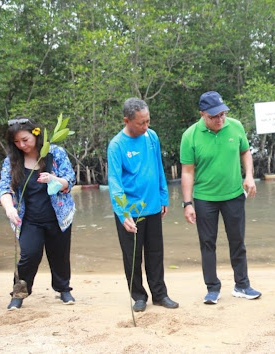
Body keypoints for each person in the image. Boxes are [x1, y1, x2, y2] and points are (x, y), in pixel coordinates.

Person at [180, 91, 260, 304]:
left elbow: (245, 152)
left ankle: (242, 285)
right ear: (203, 114)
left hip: (234, 194)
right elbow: (187, 171)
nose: (220, 119)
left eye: (222, 114)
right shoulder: (190, 135)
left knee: (238, 241)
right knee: (207, 243)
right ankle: (212, 288)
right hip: (205, 197)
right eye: (214, 116)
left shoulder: (235, 126)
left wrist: (249, 176)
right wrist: (188, 203)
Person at [0, 117, 76, 310]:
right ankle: (19, 292)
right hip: (29, 219)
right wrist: (9, 208)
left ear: (36, 134)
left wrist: (54, 179)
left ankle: (63, 288)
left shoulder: (55, 153)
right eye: (16, 142)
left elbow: (70, 180)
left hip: (58, 216)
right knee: (29, 256)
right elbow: (2, 188)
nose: (21, 145)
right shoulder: (12, 160)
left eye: (25, 140)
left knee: (60, 255)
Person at [108, 98, 178, 312]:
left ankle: (160, 294)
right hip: (131, 212)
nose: (146, 126)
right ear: (127, 120)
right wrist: (123, 213)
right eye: (141, 123)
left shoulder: (151, 136)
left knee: (156, 253)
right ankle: (138, 295)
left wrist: (163, 196)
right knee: (132, 256)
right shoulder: (116, 145)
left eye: (148, 121)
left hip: (153, 206)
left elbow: (158, 166)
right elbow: (115, 183)